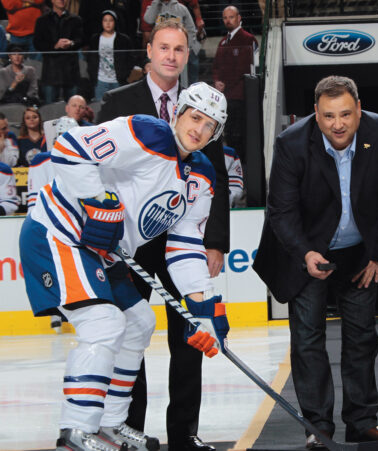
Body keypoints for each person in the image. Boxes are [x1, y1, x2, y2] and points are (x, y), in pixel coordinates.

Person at [20, 81, 229, 451]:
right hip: (59, 233)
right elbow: (69, 148)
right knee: (104, 323)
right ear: (179, 113)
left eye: (210, 125)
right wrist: (98, 200)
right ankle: (77, 430)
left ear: (216, 133)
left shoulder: (201, 176)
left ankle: (110, 425)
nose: (199, 128)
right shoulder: (146, 132)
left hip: (105, 252)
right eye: (195, 117)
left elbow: (183, 246)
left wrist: (205, 309)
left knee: (139, 323)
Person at [252, 75, 378, 449]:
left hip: (360, 254)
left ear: (359, 110)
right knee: (307, 339)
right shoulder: (292, 142)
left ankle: (362, 421)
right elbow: (281, 211)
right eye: (327, 116)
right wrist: (306, 254)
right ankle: (318, 428)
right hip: (305, 250)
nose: (337, 124)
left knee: (362, 338)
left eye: (345, 114)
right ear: (315, 115)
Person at [98, 21, 230, 451]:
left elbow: (218, 182)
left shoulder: (206, 107)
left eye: (179, 49)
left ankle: (184, 435)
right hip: (127, 244)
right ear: (150, 50)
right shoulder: (120, 102)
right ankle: (127, 429)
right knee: (129, 333)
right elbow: (99, 169)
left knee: (189, 336)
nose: (171, 56)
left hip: (182, 240)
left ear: (187, 55)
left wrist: (215, 242)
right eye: (164, 47)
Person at [26, 115, 78, 334]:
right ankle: (58, 310)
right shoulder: (42, 160)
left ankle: (71, 308)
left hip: (71, 222)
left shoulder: (81, 159)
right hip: (52, 222)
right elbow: (34, 198)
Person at [212, 5, 258, 163]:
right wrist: (217, 81)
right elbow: (216, 65)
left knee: (239, 134)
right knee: (229, 134)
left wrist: (225, 83)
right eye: (225, 17)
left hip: (240, 96)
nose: (227, 20)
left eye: (231, 17)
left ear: (239, 18)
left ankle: (241, 167)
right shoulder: (223, 41)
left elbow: (245, 68)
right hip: (226, 97)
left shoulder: (248, 39)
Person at [33, 0, 83, 104]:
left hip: (71, 71)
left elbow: (81, 39)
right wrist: (54, 46)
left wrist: (71, 43)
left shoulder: (75, 19)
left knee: (74, 106)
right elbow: (37, 43)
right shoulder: (42, 20)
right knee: (50, 108)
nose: (62, 0)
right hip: (51, 71)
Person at [143, 0, 200, 86]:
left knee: (190, 69)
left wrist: (188, 46)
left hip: (179, 47)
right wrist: (156, 2)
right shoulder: (154, 7)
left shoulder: (181, 8)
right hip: (161, 47)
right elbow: (148, 19)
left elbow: (191, 29)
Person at [86, 10, 134, 101]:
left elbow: (130, 59)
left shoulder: (123, 39)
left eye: (110, 20)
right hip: (100, 81)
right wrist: (92, 76)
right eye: (105, 20)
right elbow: (90, 59)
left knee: (120, 108)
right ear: (101, 22)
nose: (108, 23)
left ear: (115, 22)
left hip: (118, 82)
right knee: (100, 109)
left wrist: (125, 75)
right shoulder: (95, 39)